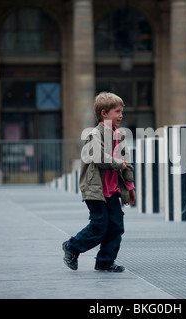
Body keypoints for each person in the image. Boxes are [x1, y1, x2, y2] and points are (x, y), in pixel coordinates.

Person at [62, 92, 136, 272]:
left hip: (112, 191)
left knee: (116, 227)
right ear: (104, 113)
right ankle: (72, 247)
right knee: (99, 226)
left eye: (121, 111)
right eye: (117, 112)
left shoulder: (120, 136)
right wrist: (121, 163)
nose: (121, 115)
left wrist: (130, 187)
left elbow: (127, 165)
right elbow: (100, 158)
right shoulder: (94, 135)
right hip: (95, 190)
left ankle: (105, 261)